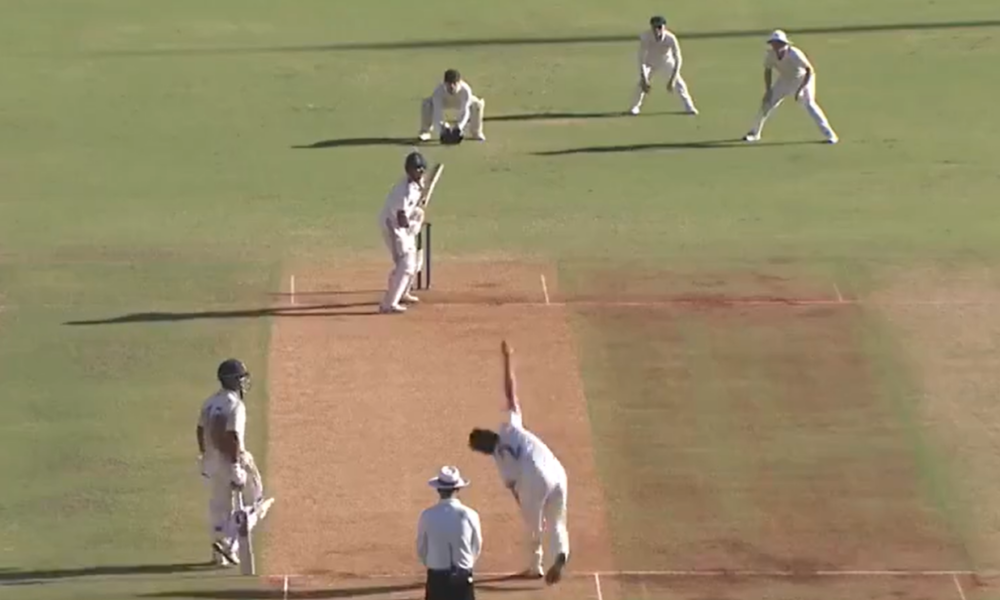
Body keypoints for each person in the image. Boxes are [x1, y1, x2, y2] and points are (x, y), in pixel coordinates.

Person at [468, 341, 569, 585]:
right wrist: (507, 358)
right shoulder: (510, 427)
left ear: (484, 451)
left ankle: (535, 566)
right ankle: (562, 554)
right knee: (557, 521)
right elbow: (510, 392)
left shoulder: (501, 462)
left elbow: (515, 490)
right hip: (556, 469)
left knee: (534, 527)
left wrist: (529, 509)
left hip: (534, 479)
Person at [196, 358, 275, 567]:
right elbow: (232, 436)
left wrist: (205, 455)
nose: (243, 382)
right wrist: (235, 466)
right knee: (257, 501)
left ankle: (219, 553)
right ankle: (231, 544)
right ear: (231, 380)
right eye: (240, 378)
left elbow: (200, 430)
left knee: (219, 506)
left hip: (212, 462)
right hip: (231, 459)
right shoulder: (235, 405)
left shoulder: (210, 402)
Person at [743, 29, 839, 143]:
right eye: (774, 43)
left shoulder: (795, 54)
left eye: (779, 43)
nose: (776, 46)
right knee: (766, 104)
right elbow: (768, 70)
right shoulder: (770, 55)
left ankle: (830, 135)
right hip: (784, 80)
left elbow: (809, 70)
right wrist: (768, 90)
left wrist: (801, 89)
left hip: (802, 79)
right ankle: (755, 133)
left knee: (810, 105)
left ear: (784, 43)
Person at [416, 466, 483, 600]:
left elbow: (421, 548)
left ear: (438, 489)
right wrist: (467, 563)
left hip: (437, 575)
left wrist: (433, 564)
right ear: (458, 489)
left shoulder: (427, 515)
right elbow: (476, 545)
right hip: (463, 575)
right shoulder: (470, 514)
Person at [378, 151, 428, 314]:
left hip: (402, 223)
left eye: (421, 168)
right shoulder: (403, 191)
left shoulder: (419, 183)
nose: (420, 171)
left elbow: (413, 207)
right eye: (416, 168)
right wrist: (413, 225)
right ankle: (388, 304)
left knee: (415, 261)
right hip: (392, 226)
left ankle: (403, 292)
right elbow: (401, 220)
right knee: (405, 263)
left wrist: (417, 212)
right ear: (408, 170)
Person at [629, 15, 698, 116]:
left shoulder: (671, 38)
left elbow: (678, 59)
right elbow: (641, 58)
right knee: (641, 85)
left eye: (659, 27)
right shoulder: (645, 37)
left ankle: (689, 107)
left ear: (664, 27)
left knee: (680, 84)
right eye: (654, 27)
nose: (657, 30)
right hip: (649, 62)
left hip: (666, 62)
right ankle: (634, 107)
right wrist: (644, 78)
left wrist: (672, 79)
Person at [419, 69, 486, 142]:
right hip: (445, 103)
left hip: (459, 102)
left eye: (454, 83)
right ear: (444, 83)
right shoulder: (438, 91)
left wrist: (459, 127)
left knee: (477, 104)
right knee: (426, 104)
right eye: (449, 83)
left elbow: (465, 111)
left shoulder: (466, 90)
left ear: (460, 82)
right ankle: (425, 132)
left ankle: (476, 132)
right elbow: (437, 113)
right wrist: (442, 129)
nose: (452, 86)